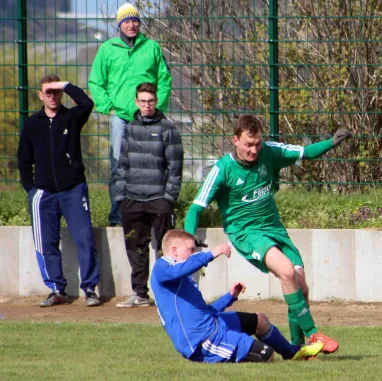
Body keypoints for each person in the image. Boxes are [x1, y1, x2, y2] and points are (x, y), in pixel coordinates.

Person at [183, 115, 352, 353]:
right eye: (248, 145)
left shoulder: (269, 152)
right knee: (286, 271)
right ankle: (314, 334)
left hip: (274, 228)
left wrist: (331, 142)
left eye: (258, 144)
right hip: (246, 233)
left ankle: (297, 348)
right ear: (235, 141)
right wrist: (189, 240)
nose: (254, 150)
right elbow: (196, 208)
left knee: (301, 289)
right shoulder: (222, 170)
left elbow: (305, 152)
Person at [151, 229, 325, 363]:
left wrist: (230, 296)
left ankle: (293, 353)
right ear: (174, 251)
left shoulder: (183, 279)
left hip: (214, 325)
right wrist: (211, 254)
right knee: (267, 355)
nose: (194, 253)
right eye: (190, 249)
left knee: (261, 320)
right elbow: (179, 270)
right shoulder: (162, 267)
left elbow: (205, 312)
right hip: (204, 341)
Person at [17, 75, 101, 307]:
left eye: (56, 91)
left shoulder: (72, 117)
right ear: (40, 95)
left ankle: (90, 289)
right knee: (47, 243)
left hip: (73, 190)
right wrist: (32, 190)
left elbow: (86, 104)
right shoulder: (32, 123)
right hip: (44, 194)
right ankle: (57, 289)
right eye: (48, 92)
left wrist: (65, 85)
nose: (52, 96)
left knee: (84, 239)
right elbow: (24, 159)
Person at [89, 2, 172, 227]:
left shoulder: (152, 47)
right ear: (120, 24)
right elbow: (96, 81)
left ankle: (153, 211)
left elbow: (164, 79)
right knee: (118, 165)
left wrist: (158, 106)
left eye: (135, 20)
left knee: (153, 164)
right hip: (122, 117)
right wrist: (108, 107)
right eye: (126, 20)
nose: (131, 24)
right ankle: (117, 214)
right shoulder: (107, 49)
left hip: (149, 116)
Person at [114, 82, 183, 308]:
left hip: (159, 201)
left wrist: (169, 199)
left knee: (166, 248)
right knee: (136, 248)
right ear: (136, 102)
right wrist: (121, 196)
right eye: (142, 101)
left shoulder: (168, 128)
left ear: (156, 101)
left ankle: (170, 294)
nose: (146, 105)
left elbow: (175, 167)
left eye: (150, 101)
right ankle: (140, 294)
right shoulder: (130, 128)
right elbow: (122, 164)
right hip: (132, 200)